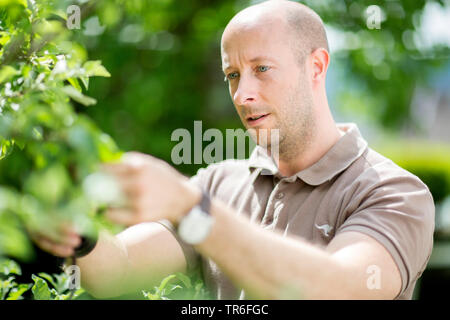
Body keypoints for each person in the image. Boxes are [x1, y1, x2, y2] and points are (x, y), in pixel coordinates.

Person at [31, 0, 435, 300]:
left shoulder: (394, 193)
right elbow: (117, 270)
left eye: (262, 69)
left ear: (316, 67)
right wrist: (78, 232)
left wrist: (191, 207)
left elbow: (337, 289)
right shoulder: (218, 182)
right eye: (232, 75)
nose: (242, 95)